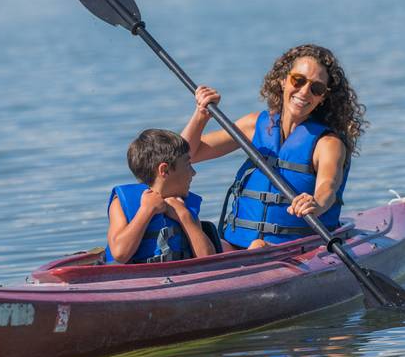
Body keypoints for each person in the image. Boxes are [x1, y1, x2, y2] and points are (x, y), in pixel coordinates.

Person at [181, 44, 367, 250]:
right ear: (283, 80)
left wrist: (316, 203)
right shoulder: (254, 125)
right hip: (236, 245)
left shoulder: (328, 144)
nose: (304, 92)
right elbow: (187, 156)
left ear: (323, 97)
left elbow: (328, 187)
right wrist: (200, 115)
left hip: (292, 250)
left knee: (258, 246)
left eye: (317, 88)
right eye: (299, 80)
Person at [105, 129, 216, 263]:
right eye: (187, 165)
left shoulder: (184, 206)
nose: (193, 173)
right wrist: (146, 211)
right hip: (132, 280)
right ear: (164, 170)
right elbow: (120, 254)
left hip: (180, 277)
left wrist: (184, 216)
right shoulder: (120, 205)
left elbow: (209, 259)